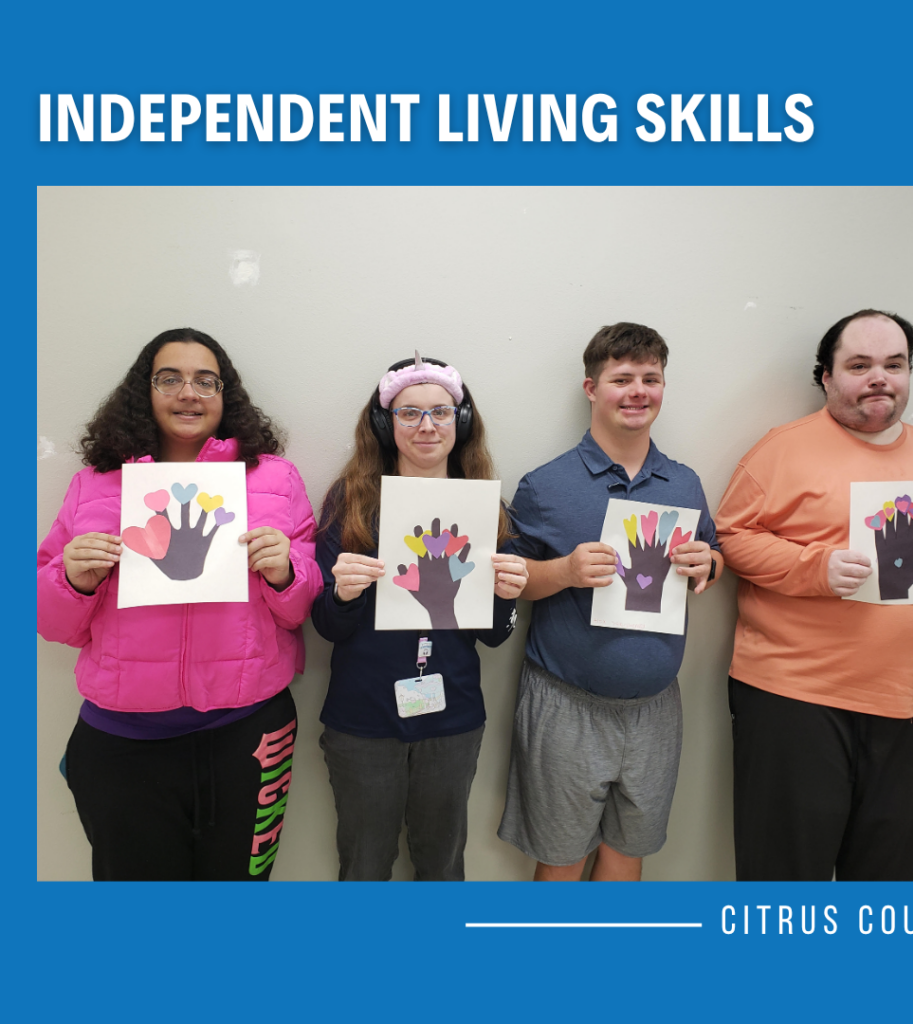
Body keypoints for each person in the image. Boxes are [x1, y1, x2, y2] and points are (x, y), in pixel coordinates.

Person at [37, 328, 320, 881]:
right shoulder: (96, 485)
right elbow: (51, 625)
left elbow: (300, 611)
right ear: (145, 391)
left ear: (225, 394)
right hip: (122, 742)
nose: (188, 392)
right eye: (170, 379)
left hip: (248, 734)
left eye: (204, 380)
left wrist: (286, 571)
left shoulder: (275, 480)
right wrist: (74, 579)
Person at [715, 309, 913, 881]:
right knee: (785, 879)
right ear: (826, 376)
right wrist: (814, 567)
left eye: (894, 365)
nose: (880, 377)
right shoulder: (781, 449)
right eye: (859, 365)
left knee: (896, 888)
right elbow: (729, 538)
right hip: (796, 698)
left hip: (912, 702)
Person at [498, 322, 723, 881]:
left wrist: (710, 565)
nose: (638, 391)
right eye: (622, 378)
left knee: (629, 855)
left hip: (655, 707)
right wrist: (565, 570)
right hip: (566, 704)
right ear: (591, 388)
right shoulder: (544, 485)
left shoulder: (685, 483)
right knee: (561, 859)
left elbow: (714, 555)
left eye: (651, 378)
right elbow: (509, 579)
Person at [312, 353, 527, 881]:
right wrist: (341, 594)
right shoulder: (352, 501)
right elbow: (326, 627)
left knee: (443, 865)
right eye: (409, 413)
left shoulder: (487, 509)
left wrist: (505, 594)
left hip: (451, 719)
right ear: (386, 424)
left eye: (441, 412)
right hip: (362, 720)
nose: (427, 425)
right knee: (363, 866)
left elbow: (497, 637)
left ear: (463, 421)